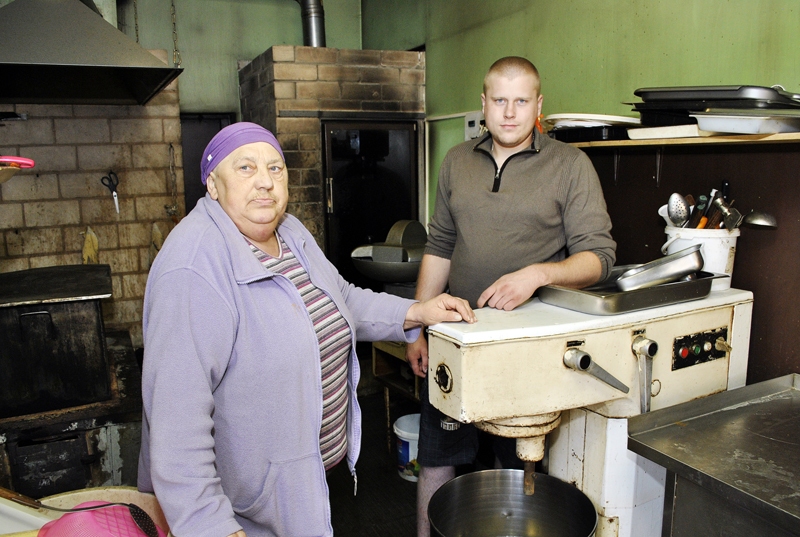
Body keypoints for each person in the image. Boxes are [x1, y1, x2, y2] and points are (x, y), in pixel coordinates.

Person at [137, 122, 476, 537]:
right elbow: (177, 432)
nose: (264, 183)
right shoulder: (193, 267)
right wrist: (214, 527)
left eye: (275, 169)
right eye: (245, 168)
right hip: (247, 513)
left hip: (312, 482)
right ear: (213, 183)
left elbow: (343, 299)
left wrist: (418, 311)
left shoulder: (290, 232)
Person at [406, 57, 617, 536]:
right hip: (456, 338)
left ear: (539, 105)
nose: (509, 113)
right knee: (437, 457)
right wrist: (418, 326)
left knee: (519, 467)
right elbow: (439, 247)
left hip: (526, 352)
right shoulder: (457, 161)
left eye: (521, 101)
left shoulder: (570, 165)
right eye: (499, 100)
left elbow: (599, 257)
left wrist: (537, 274)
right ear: (483, 104)